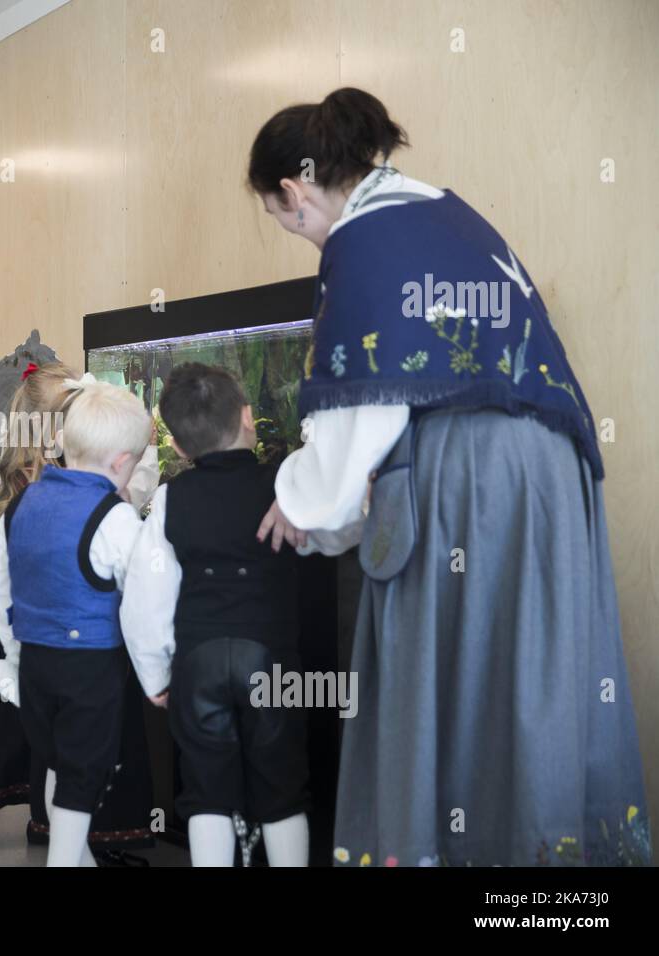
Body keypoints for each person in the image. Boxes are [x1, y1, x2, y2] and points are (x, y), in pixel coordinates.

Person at [249, 87, 650, 865]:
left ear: (294, 194)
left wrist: (299, 503)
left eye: (279, 218)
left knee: (446, 691)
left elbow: (360, 417)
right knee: (532, 685)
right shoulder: (445, 214)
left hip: (472, 478)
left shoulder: (363, 242)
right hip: (551, 475)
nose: (293, 234)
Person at [0, 362, 158, 862]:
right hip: (90, 663)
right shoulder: (114, 514)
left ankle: (70, 848)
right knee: (85, 771)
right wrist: (157, 670)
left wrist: (14, 644)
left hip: (35, 662)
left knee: (58, 765)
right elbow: (144, 598)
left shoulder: (25, 503)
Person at [122, 362, 310, 867]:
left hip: (198, 664)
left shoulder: (170, 498)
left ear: (178, 448)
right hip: (272, 663)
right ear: (249, 417)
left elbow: (146, 595)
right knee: (282, 786)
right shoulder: (285, 490)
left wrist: (155, 674)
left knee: (205, 789)